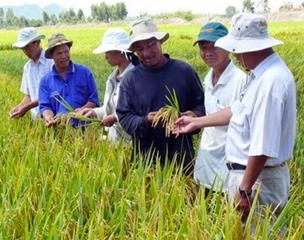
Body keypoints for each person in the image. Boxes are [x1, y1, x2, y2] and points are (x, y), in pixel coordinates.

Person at [174, 13, 296, 219]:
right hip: (251, 178)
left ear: (249, 47)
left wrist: (245, 188)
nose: (236, 56)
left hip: (258, 181)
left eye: (236, 50)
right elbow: (235, 110)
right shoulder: (260, 76)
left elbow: (263, 144)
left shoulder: (271, 82)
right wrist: (195, 121)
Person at [116, 18, 205, 172]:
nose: (146, 53)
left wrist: (195, 115)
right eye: (140, 49)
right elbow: (124, 116)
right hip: (145, 160)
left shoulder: (184, 72)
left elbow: (202, 106)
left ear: (160, 42)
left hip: (182, 159)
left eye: (150, 45)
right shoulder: (130, 79)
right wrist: (146, 120)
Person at [192, 22, 246, 196]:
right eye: (203, 46)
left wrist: (196, 122)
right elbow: (211, 115)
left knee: (227, 219)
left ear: (229, 46)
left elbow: (236, 114)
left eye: (215, 45)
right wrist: (194, 116)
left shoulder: (241, 80)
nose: (208, 52)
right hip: (206, 162)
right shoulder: (208, 79)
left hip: (229, 166)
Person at [78, 28, 134, 142]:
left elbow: (139, 111)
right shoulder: (112, 78)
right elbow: (108, 110)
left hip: (129, 143)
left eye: (108, 52)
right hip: (110, 141)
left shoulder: (135, 77)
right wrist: (93, 112)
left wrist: (115, 118)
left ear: (121, 51)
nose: (105, 56)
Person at [38, 33, 100, 128]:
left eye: (66, 51)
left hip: (85, 130)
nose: (64, 56)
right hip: (59, 131)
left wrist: (81, 111)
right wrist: (49, 117)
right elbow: (45, 106)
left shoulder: (84, 72)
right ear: (51, 56)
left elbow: (93, 100)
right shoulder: (46, 81)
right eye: (59, 53)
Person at [9, 27, 53, 119]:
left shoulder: (52, 62)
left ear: (37, 42)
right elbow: (29, 95)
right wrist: (19, 107)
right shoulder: (27, 68)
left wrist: (27, 107)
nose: (25, 52)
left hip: (53, 119)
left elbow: (53, 93)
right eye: (22, 48)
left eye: (27, 47)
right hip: (37, 121)